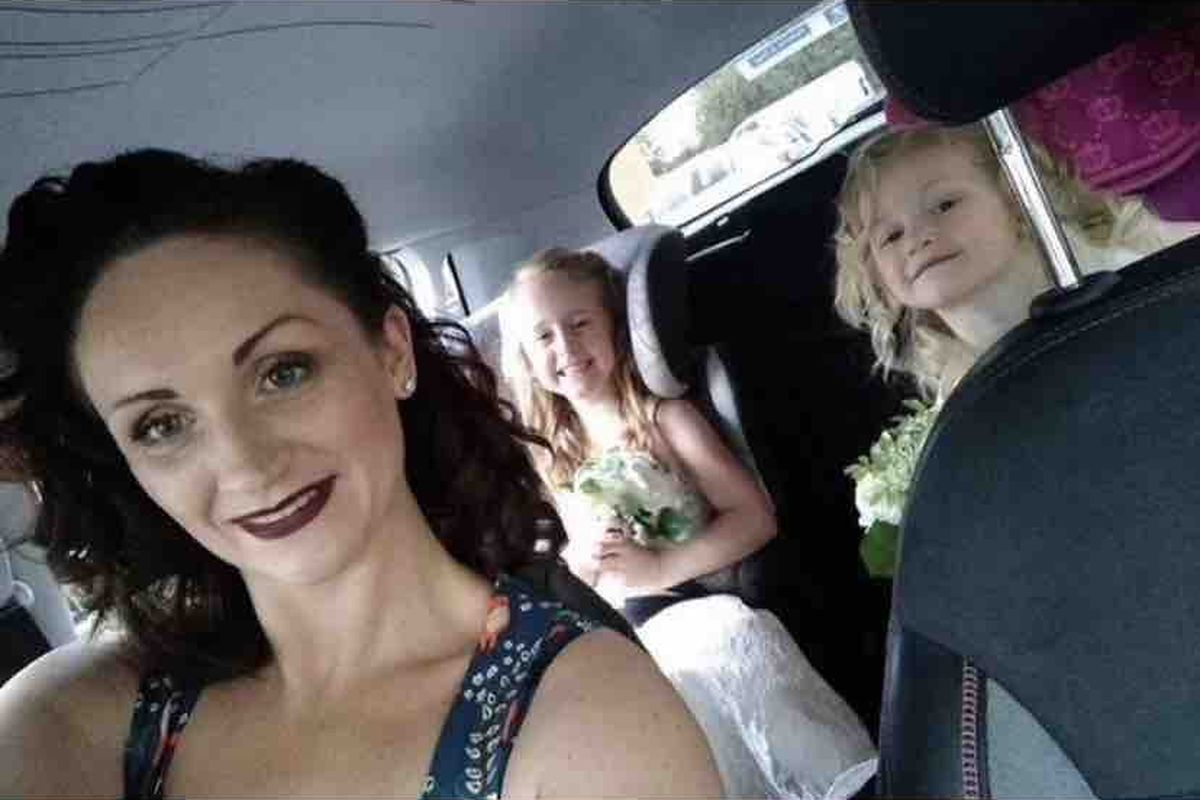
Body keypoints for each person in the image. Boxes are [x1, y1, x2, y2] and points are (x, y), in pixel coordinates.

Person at [0, 150, 722, 799]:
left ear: (392, 353)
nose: (245, 465)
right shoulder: (63, 721)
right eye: (161, 425)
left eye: (283, 373)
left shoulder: (593, 722)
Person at [500, 248, 878, 800]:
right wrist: (581, 560)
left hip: (699, 603)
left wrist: (658, 568)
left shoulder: (666, 418)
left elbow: (756, 518)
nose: (567, 347)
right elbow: (578, 566)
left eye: (580, 324)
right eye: (544, 336)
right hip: (628, 631)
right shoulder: (551, 455)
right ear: (527, 359)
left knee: (729, 653)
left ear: (615, 327)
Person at [833, 122, 1200, 401]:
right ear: (879, 279)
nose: (918, 238)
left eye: (945, 205)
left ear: (1015, 198)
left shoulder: (1140, 278)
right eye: (891, 236)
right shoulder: (967, 401)